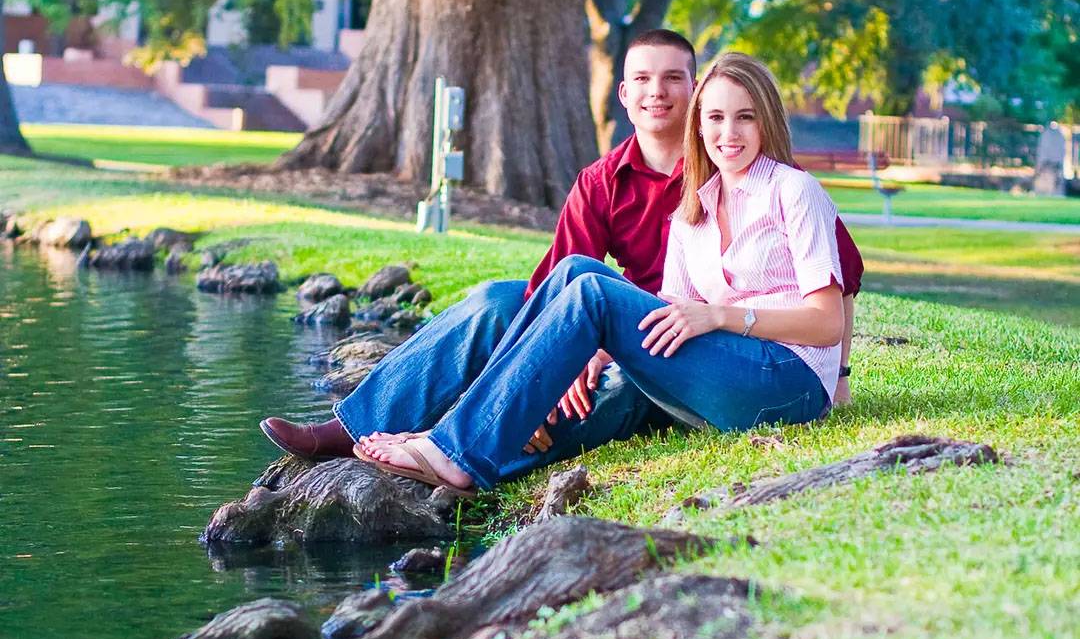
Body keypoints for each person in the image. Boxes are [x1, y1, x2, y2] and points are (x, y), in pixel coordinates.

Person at [261, 33, 861, 477]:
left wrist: (838, 378)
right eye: (718, 118)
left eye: (676, 80)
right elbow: (561, 287)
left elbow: (838, 288)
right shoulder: (679, 200)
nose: (661, 94)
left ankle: (453, 448)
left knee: (595, 311)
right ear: (626, 94)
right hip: (659, 342)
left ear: (693, 92)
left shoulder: (783, 184)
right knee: (513, 295)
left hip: (725, 352)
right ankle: (365, 426)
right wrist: (564, 363)